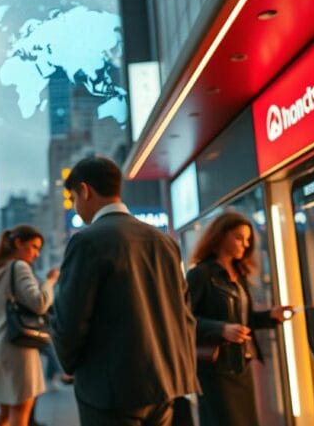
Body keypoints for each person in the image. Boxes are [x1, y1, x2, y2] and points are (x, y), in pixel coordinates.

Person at [52, 156, 198, 426]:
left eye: (73, 198)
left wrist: (69, 364)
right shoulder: (163, 241)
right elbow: (184, 312)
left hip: (110, 388)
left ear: (85, 190)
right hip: (163, 384)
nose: (76, 207)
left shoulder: (87, 241)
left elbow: (70, 319)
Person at [186, 212, 296, 426]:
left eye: (247, 240)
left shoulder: (239, 274)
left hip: (241, 366)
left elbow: (245, 319)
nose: (245, 245)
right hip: (216, 370)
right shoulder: (200, 274)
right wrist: (221, 329)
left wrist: (271, 316)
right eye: (239, 237)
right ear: (220, 236)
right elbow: (183, 319)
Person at [0, 226, 58, 426]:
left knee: (5, 413)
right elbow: (39, 302)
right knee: (21, 413)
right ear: (18, 243)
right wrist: (50, 282)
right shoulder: (19, 267)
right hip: (17, 345)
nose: (36, 253)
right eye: (33, 246)